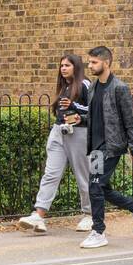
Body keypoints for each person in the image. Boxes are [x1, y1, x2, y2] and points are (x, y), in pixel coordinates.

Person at [81, 46, 133, 249]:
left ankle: (98, 231)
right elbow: (95, 117)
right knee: (101, 187)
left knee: (95, 186)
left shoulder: (120, 88)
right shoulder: (93, 87)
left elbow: (130, 122)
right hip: (95, 147)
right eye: (90, 62)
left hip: (111, 146)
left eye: (94, 62)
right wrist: (79, 118)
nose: (90, 65)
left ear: (106, 63)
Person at [18, 54, 95, 234]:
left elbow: (95, 109)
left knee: (83, 176)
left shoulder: (85, 84)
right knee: (51, 174)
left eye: (67, 65)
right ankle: (39, 216)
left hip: (79, 133)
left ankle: (90, 215)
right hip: (59, 132)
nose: (63, 68)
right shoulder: (64, 86)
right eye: (61, 65)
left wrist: (75, 105)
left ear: (76, 67)